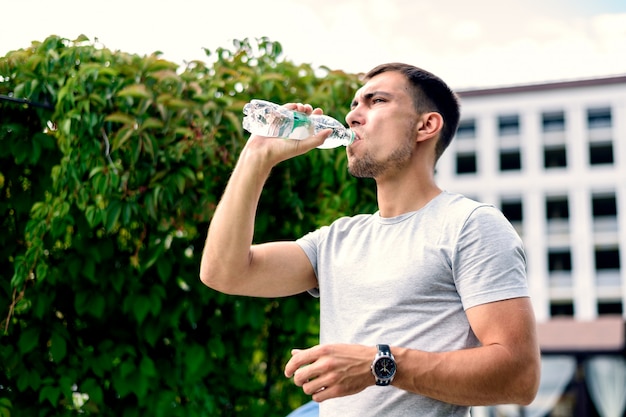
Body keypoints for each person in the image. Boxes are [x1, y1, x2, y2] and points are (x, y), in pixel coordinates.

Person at [200, 63, 541, 416]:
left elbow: (519, 376)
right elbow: (224, 272)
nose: (352, 117)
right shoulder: (337, 239)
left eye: (375, 101)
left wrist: (380, 364)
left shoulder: (469, 225)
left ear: (426, 125)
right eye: (353, 105)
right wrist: (256, 157)